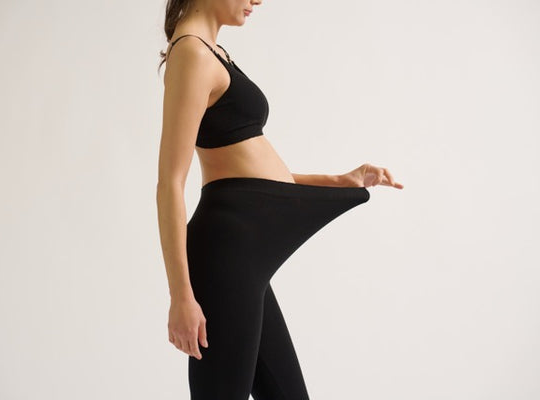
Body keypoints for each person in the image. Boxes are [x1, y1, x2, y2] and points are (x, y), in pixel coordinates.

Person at [156, 1, 404, 398]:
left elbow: (254, 175)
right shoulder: (192, 53)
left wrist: (342, 180)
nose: (257, 0)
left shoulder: (212, 52)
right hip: (225, 259)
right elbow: (170, 183)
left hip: (243, 264)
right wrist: (180, 296)